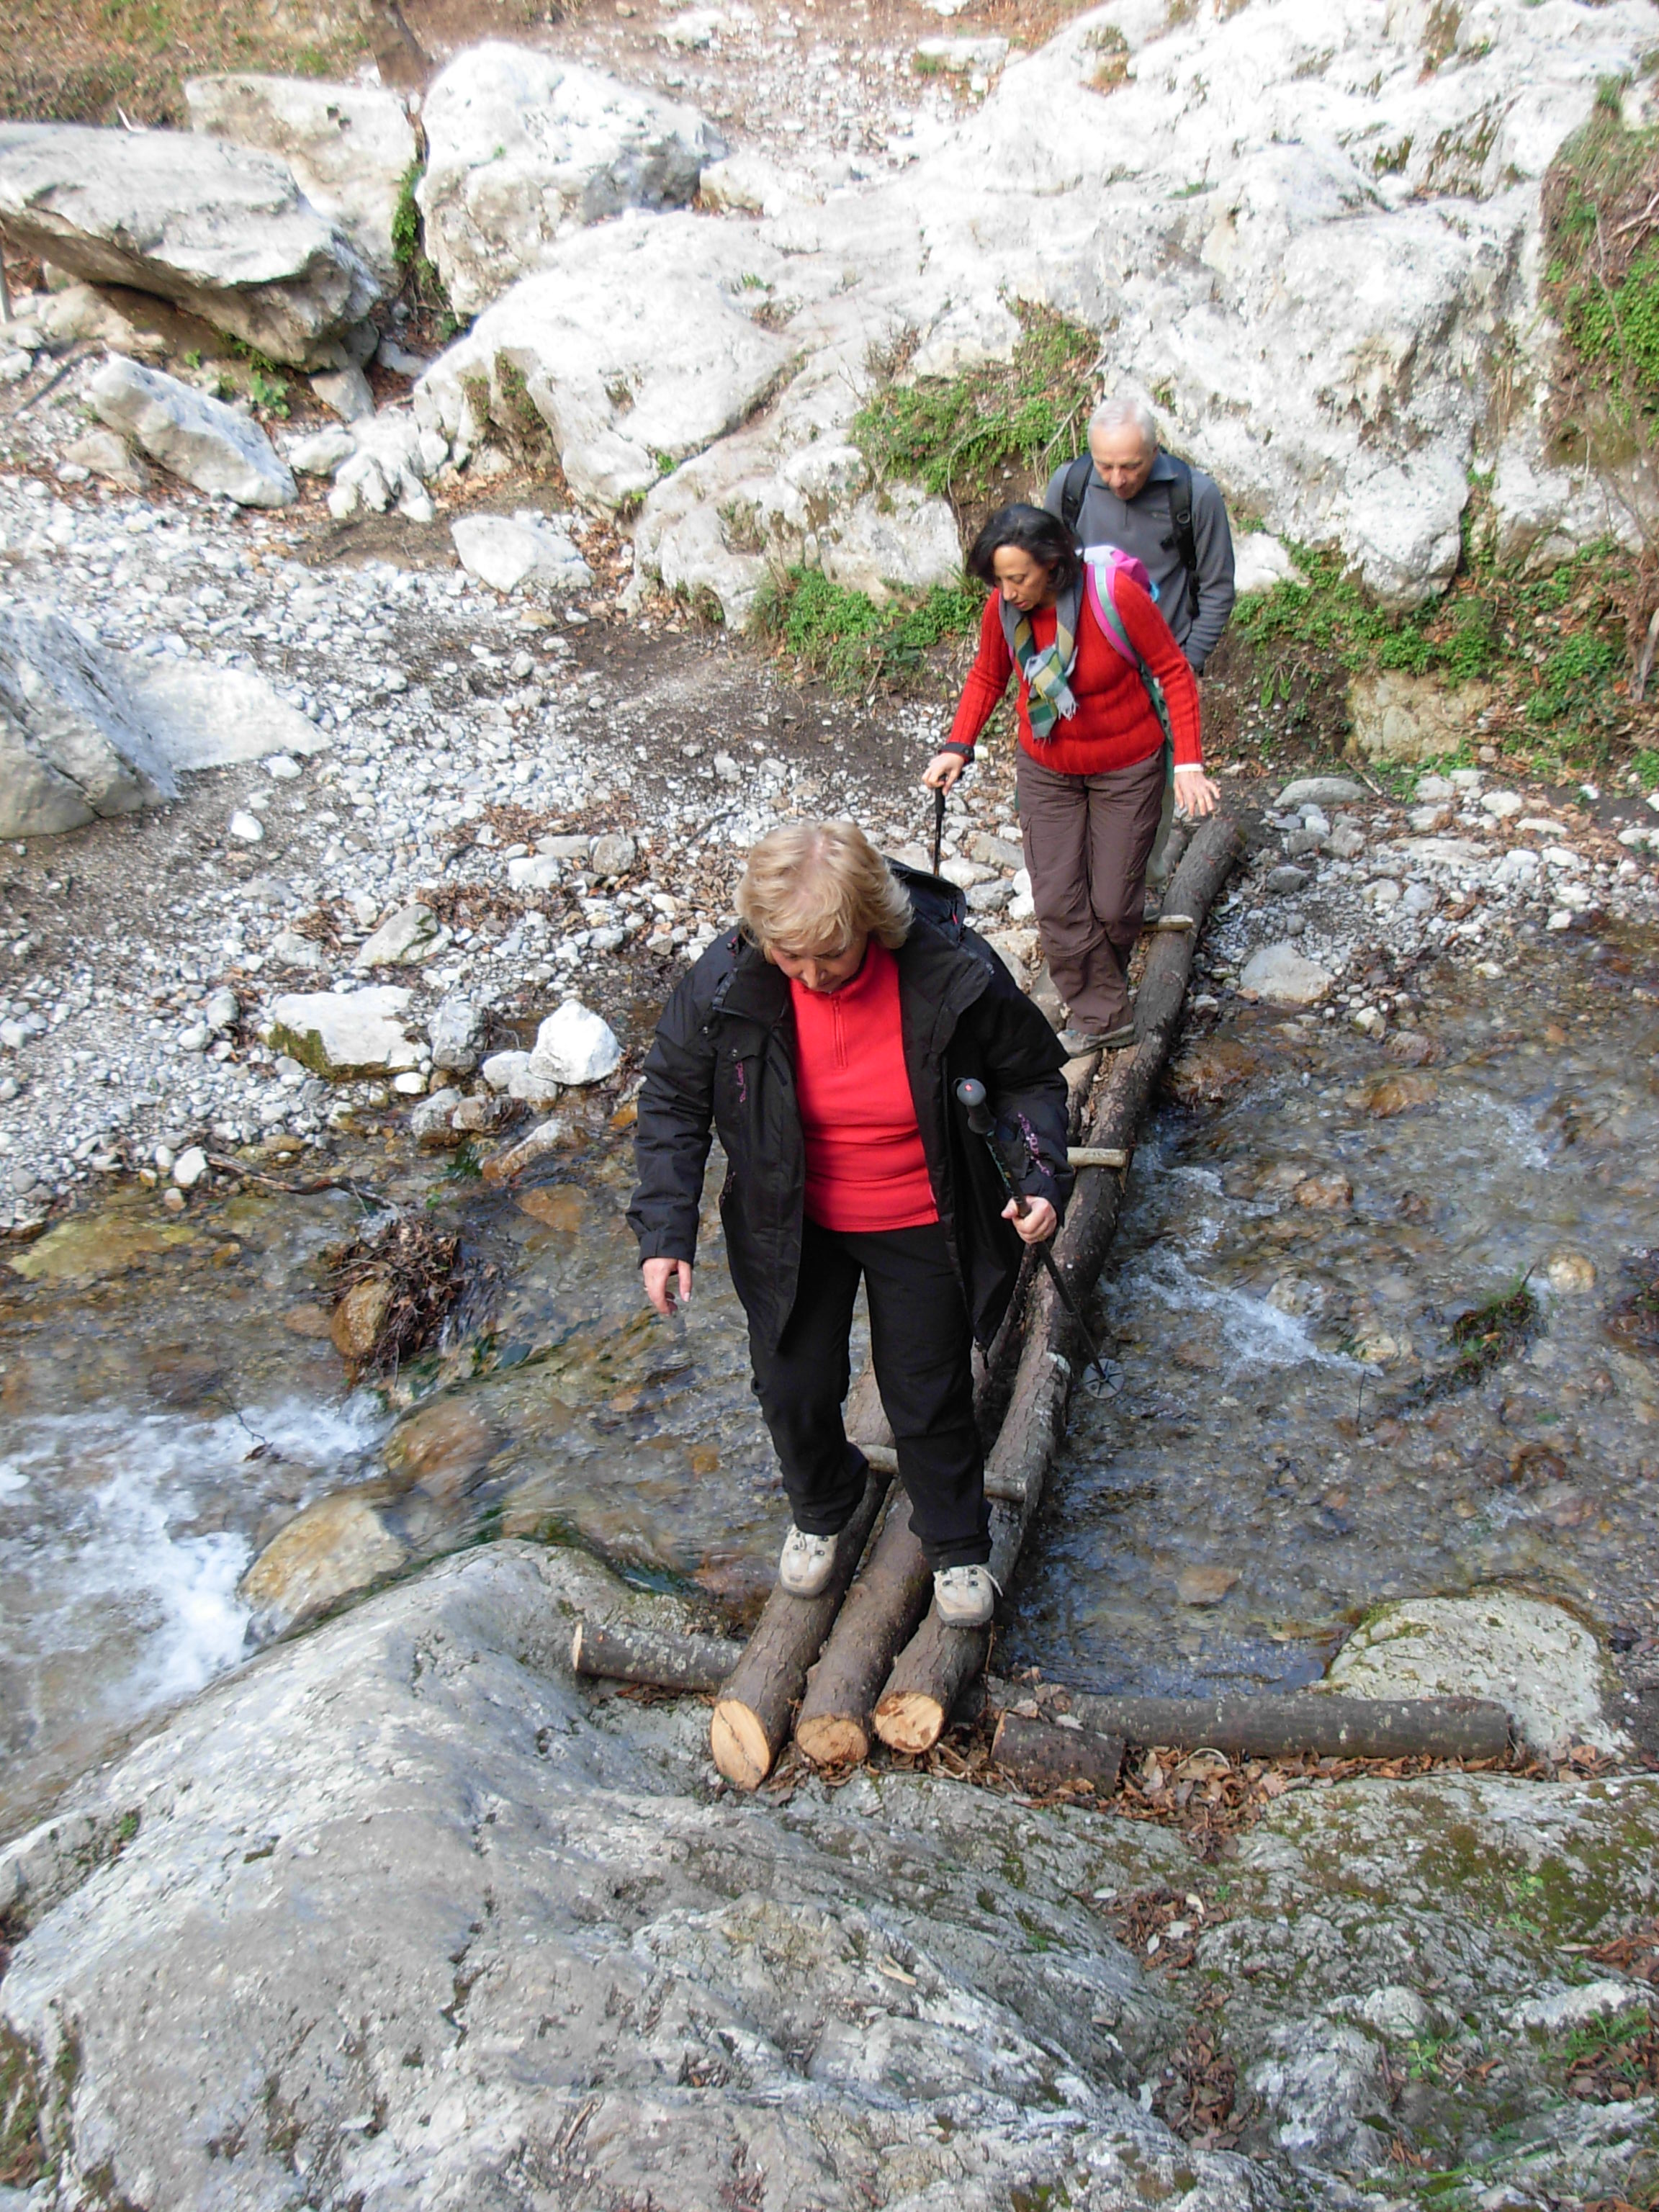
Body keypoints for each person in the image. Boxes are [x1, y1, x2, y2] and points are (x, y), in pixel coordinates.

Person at [627, 820, 1072, 1630]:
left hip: (922, 1214)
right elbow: (672, 1100)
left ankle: (956, 1543)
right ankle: (825, 1502)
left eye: (828, 956)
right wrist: (665, 1233)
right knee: (791, 1387)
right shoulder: (730, 979)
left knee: (926, 1392)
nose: (810, 976)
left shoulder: (949, 969)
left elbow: (1031, 1078)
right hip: (789, 1219)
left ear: (871, 922)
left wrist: (1039, 1178)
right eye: (789, 957)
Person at [923, 504, 1218, 1058]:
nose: (1008, 592)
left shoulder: (1114, 596)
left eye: (1018, 578)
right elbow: (988, 674)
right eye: (999, 580)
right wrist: (956, 746)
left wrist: (1189, 764)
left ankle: (1099, 988)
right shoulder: (1004, 609)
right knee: (1058, 900)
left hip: (1127, 766)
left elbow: (1174, 671)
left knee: (1115, 904)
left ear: (1054, 564)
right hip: (1047, 767)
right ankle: (1103, 1016)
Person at [1043, 396, 1236, 676]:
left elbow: (1217, 587)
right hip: (1086, 670)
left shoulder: (1196, 496)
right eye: (1105, 466)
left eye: (1131, 466)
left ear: (1154, 452)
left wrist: (1188, 663)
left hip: (1164, 667)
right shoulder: (1069, 487)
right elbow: (1047, 574)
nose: (1117, 480)